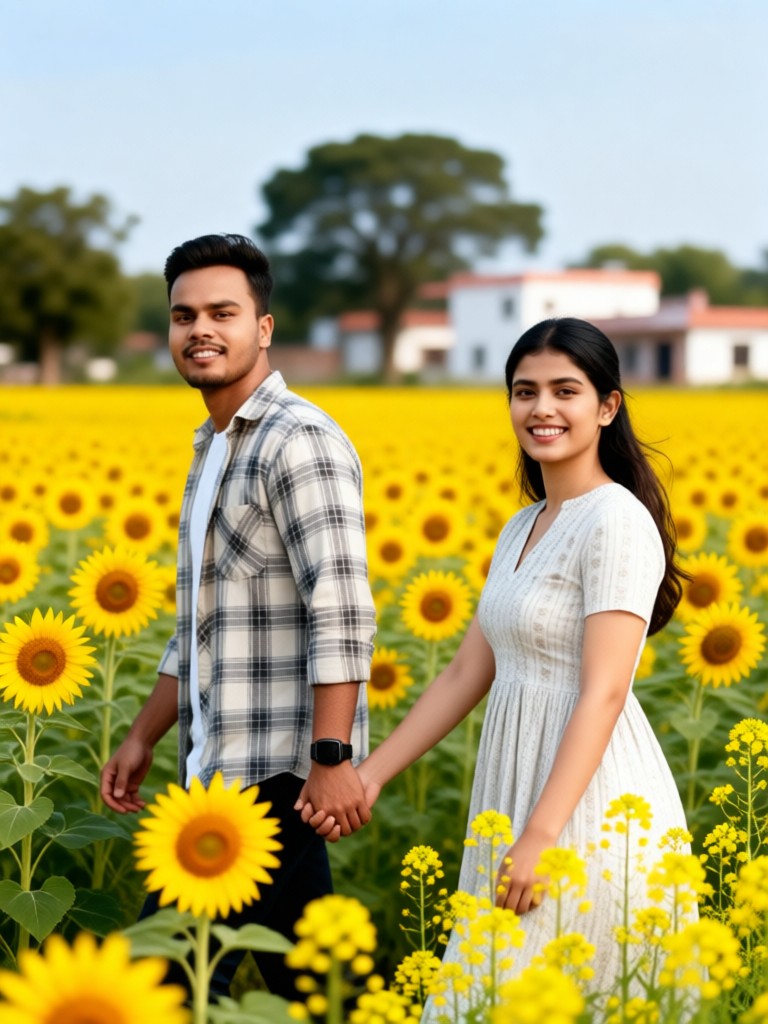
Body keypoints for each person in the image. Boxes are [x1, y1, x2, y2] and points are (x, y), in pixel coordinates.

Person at [300, 316, 693, 999]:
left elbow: (603, 691)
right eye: (524, 390)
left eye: (565, 391)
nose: (541, 408)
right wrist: (370, 776)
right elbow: (466, 673)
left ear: (607, 407)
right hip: (513, 795)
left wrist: (542, 835)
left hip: (587, 808)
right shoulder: (523, 525)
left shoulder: (617, 521)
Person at [101, 233, 376, 1000]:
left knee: (165, 986)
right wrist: (143, 733)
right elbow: (202, 624)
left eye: (223, 312)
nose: (200, 330)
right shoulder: (215, 444)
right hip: (217, 769)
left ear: (264, 326)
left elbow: (343, 607)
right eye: (183, 315)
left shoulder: (299, 441)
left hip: (279, 779)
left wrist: (330, 756)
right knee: (307, 986)